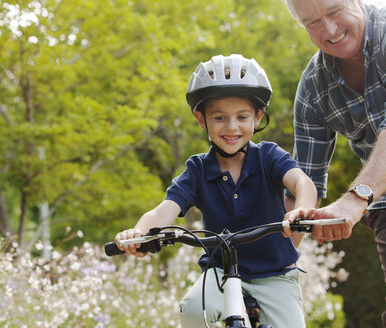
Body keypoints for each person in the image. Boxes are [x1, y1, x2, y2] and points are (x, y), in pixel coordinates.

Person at [115, 54, 316, 327]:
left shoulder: (268, 157)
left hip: (275, 274)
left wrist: (301, 210)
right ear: (201, 119)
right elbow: (165, 210)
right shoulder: (198, 170)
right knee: (194, 312)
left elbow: (301, 183)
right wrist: (139, 233)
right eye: (219, 117)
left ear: (257, 117)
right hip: (220, 272)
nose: (232, 127)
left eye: (242, 116)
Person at [282, 0, 386, 327]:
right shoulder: (313, 89)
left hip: (370, 193)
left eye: (335, 11)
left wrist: (355, 198)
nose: (329, 31)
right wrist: (270, 267)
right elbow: (304, 184)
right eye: (313, 23)